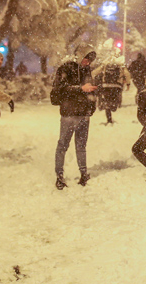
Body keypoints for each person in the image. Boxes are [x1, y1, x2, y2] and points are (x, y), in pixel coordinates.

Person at [51, 44, 98, 189]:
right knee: (63, 145)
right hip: (69, 113)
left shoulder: (86, 70)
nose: (88, 62)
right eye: (86, 58)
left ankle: (84, 173)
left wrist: (91, 107)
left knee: (81, 146)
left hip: (83, 114)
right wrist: (80, 89)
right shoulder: (66, 68)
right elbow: (59, 89)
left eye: (90, 60)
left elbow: (91, 91)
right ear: (79, 55)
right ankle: (59, 175)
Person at [92, 58, 131, 124]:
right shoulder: (121, 66)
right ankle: (114, 106)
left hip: (106, 86)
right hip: (117, 86)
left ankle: (109, 117)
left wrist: (94, 80)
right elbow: (127, 74)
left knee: (107, 102)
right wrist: (128, 84)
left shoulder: (105, 65)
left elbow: (94, 72)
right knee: (114, 100)